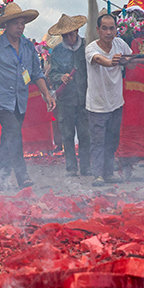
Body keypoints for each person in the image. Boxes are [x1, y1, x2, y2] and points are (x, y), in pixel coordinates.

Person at [0, 2, 56, 190]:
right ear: (6, 26)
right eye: (16, 23)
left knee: (8, 139)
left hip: (19, 100)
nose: (20, 27)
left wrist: (47, 95)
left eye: (22, 23)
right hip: (0, 100)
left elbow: (37, 74)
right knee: (14, 133)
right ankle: (22, 176)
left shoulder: (27, 46)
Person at [86, 13, 134, 187]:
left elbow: (132, 61)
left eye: (112, 28)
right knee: (98, 141)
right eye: (104, 28)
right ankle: (98, 174)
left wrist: (126, 61)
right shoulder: (91, 48)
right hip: (97, 104)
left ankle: (108, 173)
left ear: (116, 29)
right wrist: (112, 61)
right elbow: (100, 60)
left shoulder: (120, 44)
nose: (108, 32)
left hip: (116, 102)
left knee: (112, 139)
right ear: (98, 30)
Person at [46, 14, 90, 177]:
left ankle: (86, 166)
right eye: (65, 35)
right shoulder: (57, 51)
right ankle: (71, 167)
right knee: (67, 134)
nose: (68, 38)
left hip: (85, 98)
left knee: (86, 134)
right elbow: (52, 75)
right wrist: (61, 77)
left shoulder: (87, 47)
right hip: (66, 100)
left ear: (77, 31)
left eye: (70, 34)